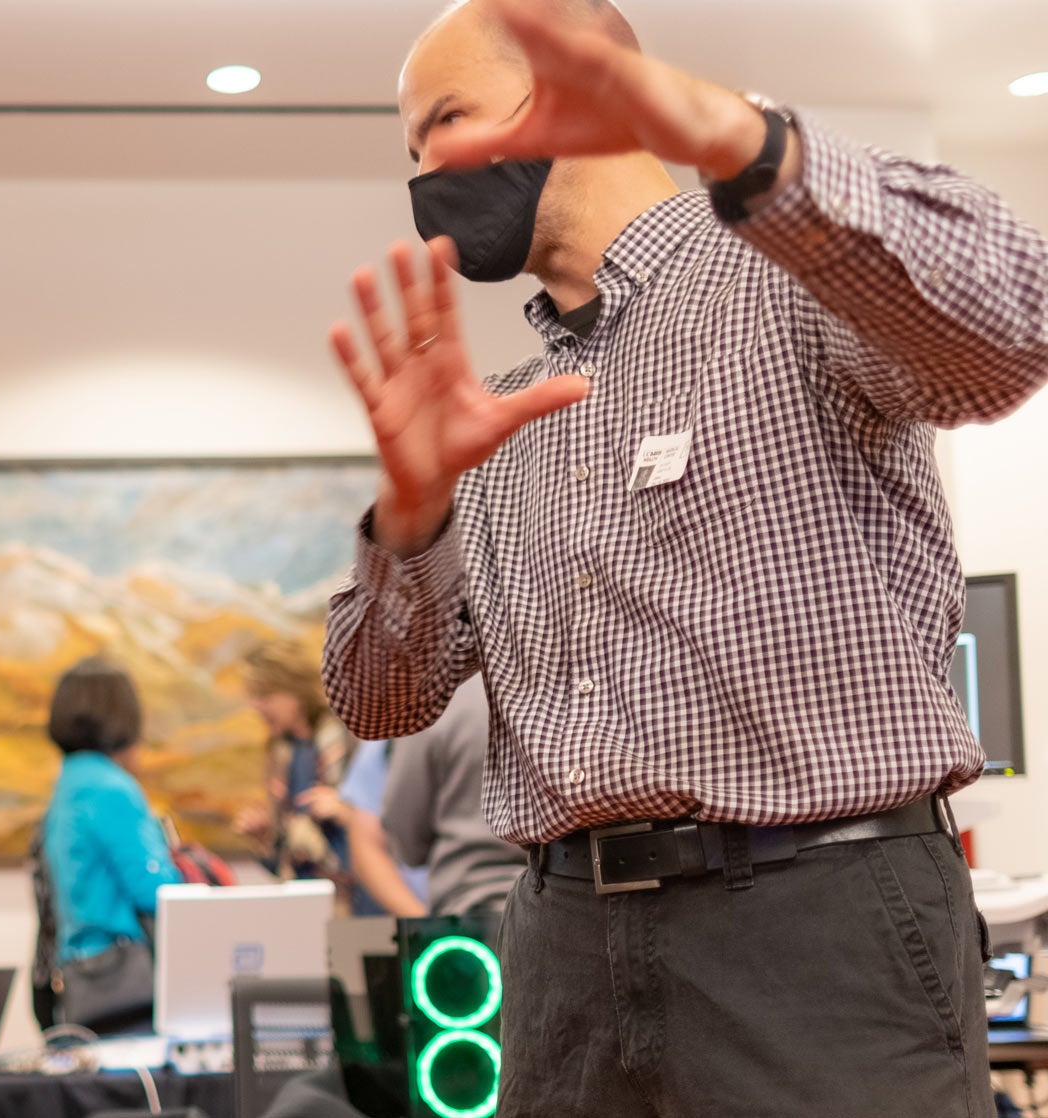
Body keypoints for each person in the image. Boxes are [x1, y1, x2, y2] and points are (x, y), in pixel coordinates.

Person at [322, 0, 1048, 1113]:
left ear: (575, 89)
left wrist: (748, 143)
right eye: (410, 148)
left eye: (446, 121)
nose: (425, 171)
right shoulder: (499, 415)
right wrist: (410, 511)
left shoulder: (788, 285)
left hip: (816, 928)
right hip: (561, 949)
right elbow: (377, 700)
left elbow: (1011, 323)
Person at [39, 658, 182, 1033]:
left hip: (81, 971)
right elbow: (153, 889)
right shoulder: (110, 787)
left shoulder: (69, 782)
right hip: (121, 975)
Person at [234, 639, 423, 914]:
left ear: (295, 690)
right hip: (305, 911)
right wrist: (264, 836)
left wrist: (345, 812)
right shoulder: (281, 754)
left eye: (265, 696)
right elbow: (284, 862)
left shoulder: (353, 739)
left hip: (363, 907)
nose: (256, 706)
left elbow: (400, 829)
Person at [348, 676, 525, 917]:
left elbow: (406, 840)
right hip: (550, 903)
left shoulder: (433, 698)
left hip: (463, 908)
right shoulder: (547, 686)